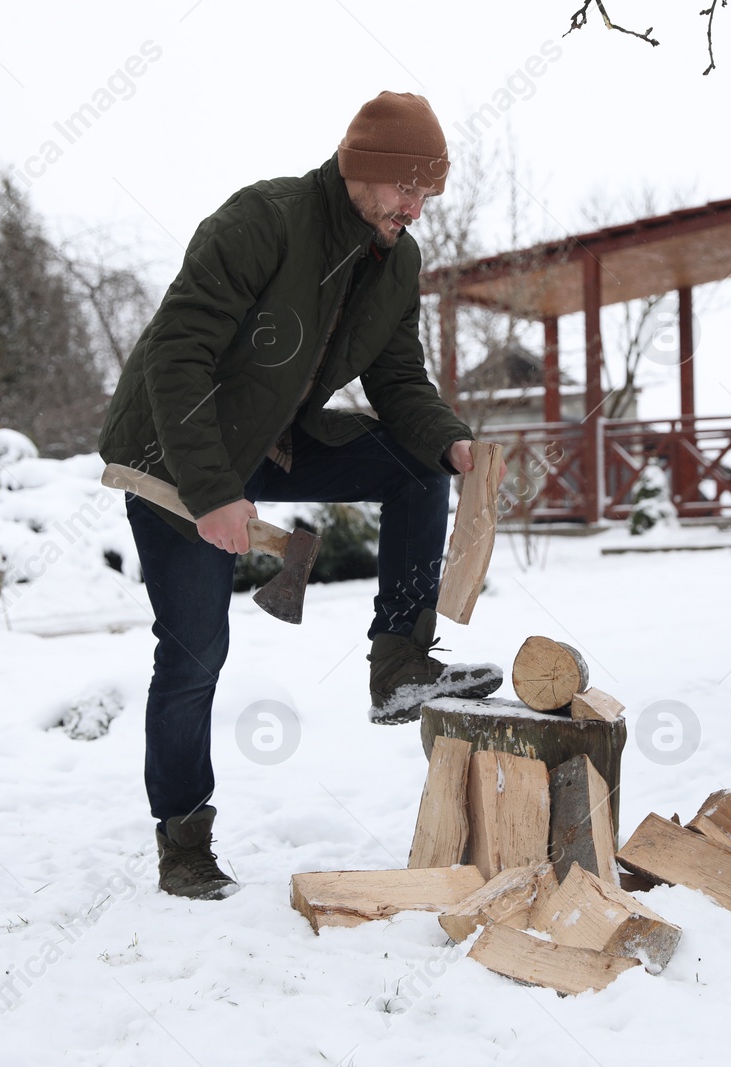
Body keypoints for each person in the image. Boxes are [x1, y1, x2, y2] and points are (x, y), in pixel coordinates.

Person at [98, 91, 503, 900]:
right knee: (195, 650)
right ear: (362, 169)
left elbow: (396, 380)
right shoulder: (265, 219)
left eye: (429, 193)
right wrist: (213, 492)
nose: (415, 207)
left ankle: (399, 660)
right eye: (403, 188)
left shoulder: (399, 258)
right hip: (173, 448)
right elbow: (176, 354)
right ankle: (182, 833)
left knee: (415, 462)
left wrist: (449, 436)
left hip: (271, 432)